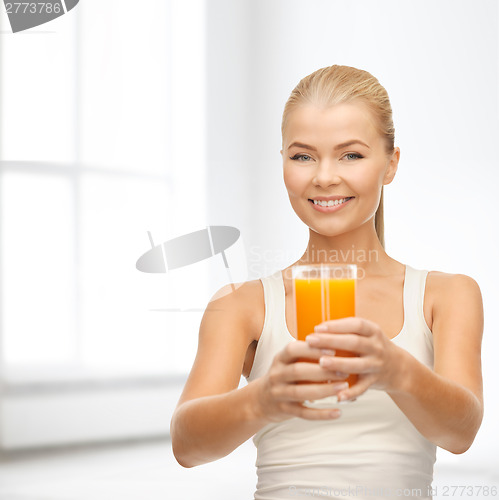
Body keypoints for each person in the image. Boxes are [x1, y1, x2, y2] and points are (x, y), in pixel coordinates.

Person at [170, 64, 484, 499]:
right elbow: (187, 445)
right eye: (303, 155)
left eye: (351, 154)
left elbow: (461, 432)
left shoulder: (446, 295)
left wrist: (397, 371)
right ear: (283, 162)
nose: (324, 176)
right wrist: (260, 400)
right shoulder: (244, 305)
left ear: (390, 163)